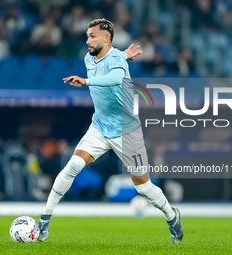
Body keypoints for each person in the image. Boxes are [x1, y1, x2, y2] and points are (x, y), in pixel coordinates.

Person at [38, 18, 183, 243]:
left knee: (144, 187)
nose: (87, 40)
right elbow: (109, 61)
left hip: (127, 131)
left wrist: (87, 81)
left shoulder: (116, 58)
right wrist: (123, 55)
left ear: (106, 38)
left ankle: (172, 217)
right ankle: (45, 219)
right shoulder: (90, 57)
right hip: (99, 126)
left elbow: (115, 77)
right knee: (72, 167)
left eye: (92, 36)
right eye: (87, 35)